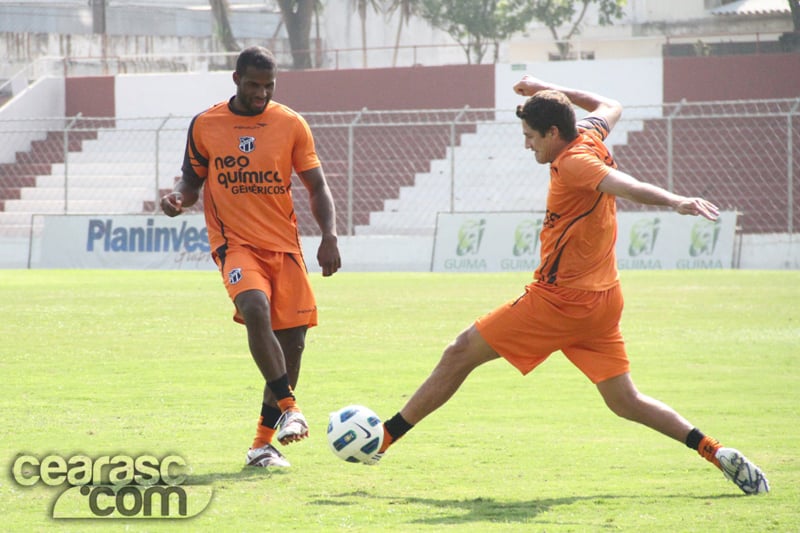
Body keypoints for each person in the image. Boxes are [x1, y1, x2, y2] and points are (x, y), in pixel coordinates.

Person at [375, 75, 769, 495]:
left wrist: (676, 201)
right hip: (603, 300)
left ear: (553, 133)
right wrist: (546, 87)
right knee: (625, 401)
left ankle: (383, 437)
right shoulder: (587, 132)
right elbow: (610, 104)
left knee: (460, 351)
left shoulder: (575, 162)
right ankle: (715, 450)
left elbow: (627, 186)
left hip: (560, 301)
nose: (527, 145)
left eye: (531, 137)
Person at [161, 46, 341, 468]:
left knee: (293, 343)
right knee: (255, 307)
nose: (261, 93)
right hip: (234, 244)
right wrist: (178, 201)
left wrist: (329, 235)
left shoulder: (290, 123)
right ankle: (291, 408)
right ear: (236, 79)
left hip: (285, 246)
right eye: (253, 84)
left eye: (268, 85)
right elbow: (191, 182)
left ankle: (262, 444)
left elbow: (317, 186)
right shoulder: (206, 124)